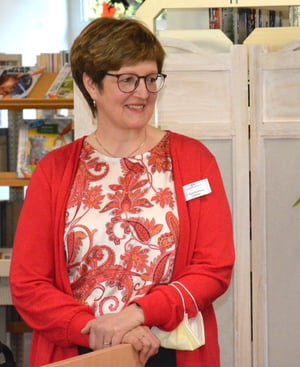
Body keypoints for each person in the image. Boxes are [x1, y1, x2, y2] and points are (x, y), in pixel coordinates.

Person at [9, 17, 235, 367]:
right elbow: (29, 284)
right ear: (91, 84)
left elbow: (214, 269)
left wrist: (137, 314)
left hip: (172, 352)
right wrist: (102, 329)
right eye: (127, 80)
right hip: (78, 350)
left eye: (150, 78)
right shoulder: (53, 171)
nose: (143, 92)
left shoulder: (195, 160)